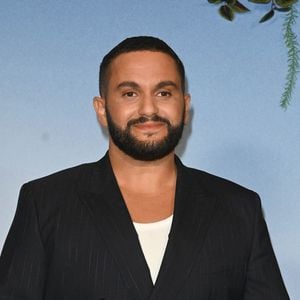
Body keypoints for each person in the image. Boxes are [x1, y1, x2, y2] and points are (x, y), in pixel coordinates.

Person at [0, 36, 289, 300]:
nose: (148, 110)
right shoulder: (46, 203)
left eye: (164, 93)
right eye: (130, 94)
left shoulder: (239, 209)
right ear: (102, 109)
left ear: (185, 106)